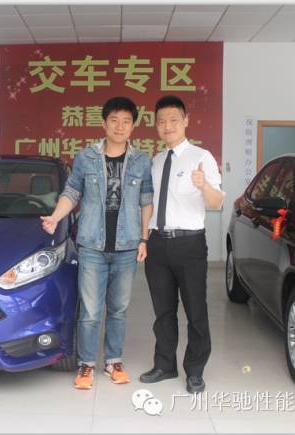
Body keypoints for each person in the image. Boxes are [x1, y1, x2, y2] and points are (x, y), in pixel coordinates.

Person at [41, 96, 153, 390]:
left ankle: (114, 361)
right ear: (104, 123)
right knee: (90, 311)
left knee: (118, 309)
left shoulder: (141, 161)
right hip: (92, 246)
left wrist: (144, 239)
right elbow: (72, 192)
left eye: (126, 121)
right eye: (114, 120)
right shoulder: (85, 158)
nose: (120, 126)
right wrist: (55, 217)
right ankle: (87, 364)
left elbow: (146, 201)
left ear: (133, 126)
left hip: (127, 246)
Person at [140, 95, 224, 394]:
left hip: (189, 245)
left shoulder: (202, 156)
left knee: (195, 310)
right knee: (163, 311)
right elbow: (148, 205)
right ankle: (165, 365)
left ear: (186, 121)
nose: (168, 126)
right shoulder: (156, 161)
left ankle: (195, 370)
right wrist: (144, 239)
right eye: (161, 121)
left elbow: (216, 203)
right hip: (158, 244)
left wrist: (204, 185)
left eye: (174, 120)